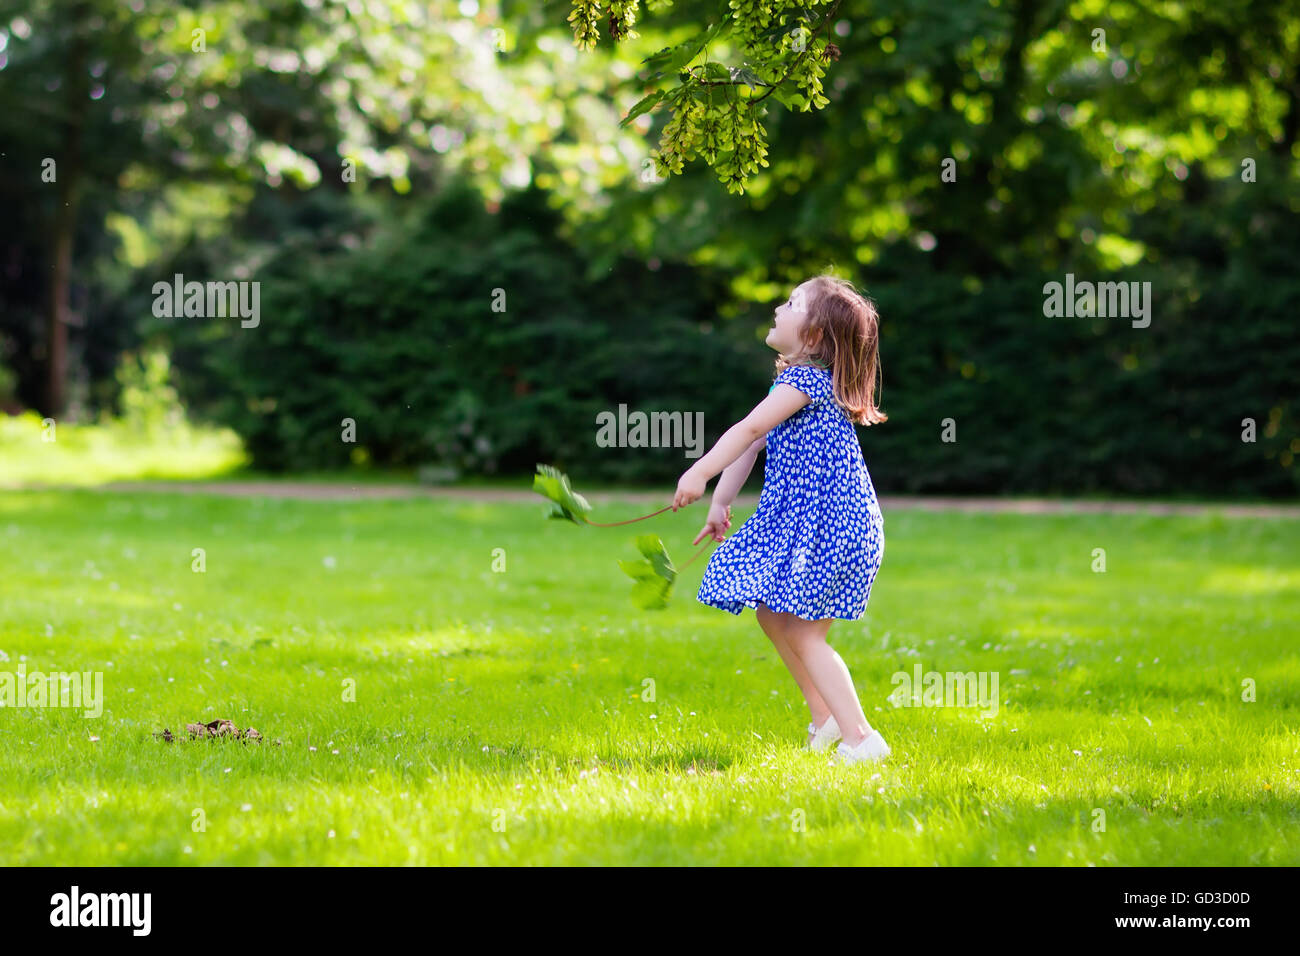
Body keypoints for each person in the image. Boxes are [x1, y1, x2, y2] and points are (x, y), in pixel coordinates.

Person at [671, 273, 890, 764]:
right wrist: (721, 502)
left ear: (812, 336)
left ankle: (861, 739)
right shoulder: (801, 385)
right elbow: (755, 442)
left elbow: (747, 428)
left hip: (831, 528)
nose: (778, 308)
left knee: (805, 635)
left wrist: (699, 472)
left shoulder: (803, 382)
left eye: (792, 303)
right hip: (822, 525)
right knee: (772, 613)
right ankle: (825, 719)